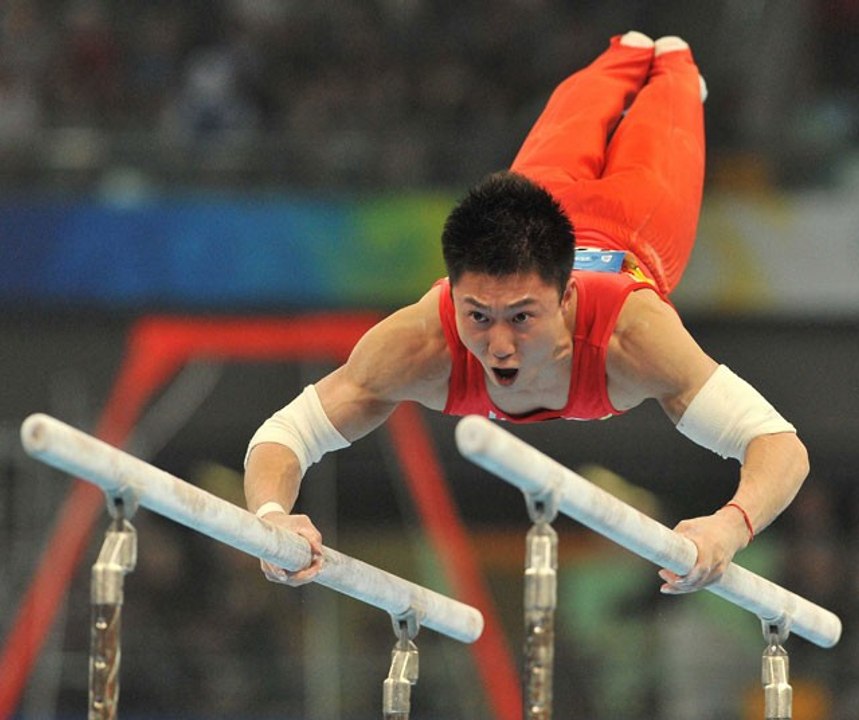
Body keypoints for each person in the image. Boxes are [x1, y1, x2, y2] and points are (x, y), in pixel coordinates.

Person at [243, 32, 808, 595]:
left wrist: (729, 528)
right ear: (454, 291)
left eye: (521, 317)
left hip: (636, 226)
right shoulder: (425, 340)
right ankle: (625, 51)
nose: (499, 344)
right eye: (478, 316)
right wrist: (271, 515)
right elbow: (287, 433)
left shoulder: (631, 336)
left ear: (565, 300)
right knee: (581, 104)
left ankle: (673, 65)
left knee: (672, 88)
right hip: (540, 208)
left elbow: (780, 444)